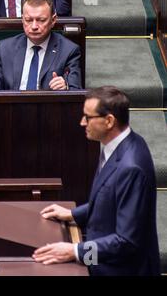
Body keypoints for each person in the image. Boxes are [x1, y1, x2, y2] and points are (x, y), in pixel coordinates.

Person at [33, 86, 160, 276]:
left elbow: (126, 242)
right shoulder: (121, 144)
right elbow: (109, 200)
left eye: (88, 117)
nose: (82, 122)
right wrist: (73, 214)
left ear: (109, 121)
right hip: (105, 257)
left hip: (120, 270)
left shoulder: (131, 167)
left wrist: (74, 251)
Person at [0, 0, 81, 91]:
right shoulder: (5, 49)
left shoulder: (69, 50)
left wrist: (66, 86)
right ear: (22, 19)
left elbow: (76, 91)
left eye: (41, 20)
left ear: (53, 20)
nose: (34, 26)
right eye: (28, 20)